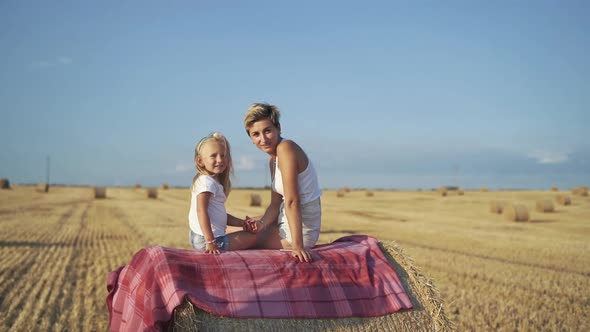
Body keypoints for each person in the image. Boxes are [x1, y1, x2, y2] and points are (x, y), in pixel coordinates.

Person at [243, 103, 322, 262]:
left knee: (233, 235)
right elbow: (275, 204)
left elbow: (293, 200)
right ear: (250, 138)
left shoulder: (286, 148)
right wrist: (261, 223)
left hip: (299, 230)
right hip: (284, 219)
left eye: (267, 131)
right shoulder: (273, 160)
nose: (263, 139)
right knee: (240, 226)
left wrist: (297, 246)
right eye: (256, 134)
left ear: (278, 128)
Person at [188, 132, 257, 254]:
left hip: (201, 238)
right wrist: (210, 242)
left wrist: (242, 223)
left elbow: (220, 216)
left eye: (223, 155)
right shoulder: (206, 182)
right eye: (213, 156)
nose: (220, 160)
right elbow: (201, 211)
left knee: (248, 235)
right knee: (256, 237)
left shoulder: (209, 181)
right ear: (200, 161)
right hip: (209, 240)